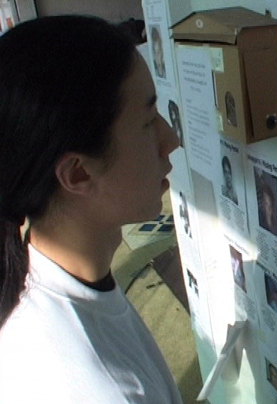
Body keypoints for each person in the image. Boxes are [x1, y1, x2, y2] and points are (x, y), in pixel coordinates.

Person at [0, 16, 182, 403]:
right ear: (78, 173)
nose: (171, 139)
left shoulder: (62, 279)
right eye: (148, 121)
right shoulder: (91, 388)